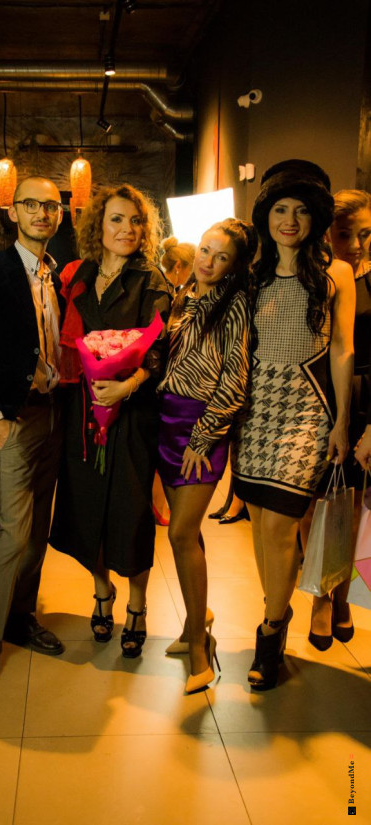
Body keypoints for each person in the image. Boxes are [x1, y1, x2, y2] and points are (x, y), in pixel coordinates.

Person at [231, 160, 355, 691]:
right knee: (261, 526)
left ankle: (268, 633)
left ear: (316, 217)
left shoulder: (337, 272)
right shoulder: (251, 272)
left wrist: (342, 422)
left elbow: (343, 348)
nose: (289, 220)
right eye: (280, 209)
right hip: (255, 407)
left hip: (307, 409)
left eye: (301, 210)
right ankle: (276, 613)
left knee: (282, 526)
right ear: (265, 215)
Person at [50, 184, 171, 659]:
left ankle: (137, 606)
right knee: (85, 507)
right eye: (117, 219)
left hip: (133, 412)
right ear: (98, 224)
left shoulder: (150, 279)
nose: (127, 229)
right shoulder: (80, 275)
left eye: (135, 221)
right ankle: (102, 592)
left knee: (131, 512)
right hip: (83, 408)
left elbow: (159, 348)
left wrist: (128, 385)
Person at [0, 175, 65, 687]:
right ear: (13, 211)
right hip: (14, 418)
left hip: (53, 413)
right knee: (13, 530)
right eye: (32, 204)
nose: (43, 213)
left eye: (52, 205)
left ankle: (22, 616)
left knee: (38, 527)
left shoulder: (56, 274)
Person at [158, 219, 255, 693]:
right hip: (165, 421)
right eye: (205, 250)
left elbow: (235, 380)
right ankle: (195, 622)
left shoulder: (234, 305)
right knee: (187, 535)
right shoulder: (181, 296)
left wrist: (202, 438)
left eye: (221, 258)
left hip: (201, 427)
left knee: (180, 532)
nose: (208, 262)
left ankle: (200, 645)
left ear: (234, 267)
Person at [307, 189, 371, 648]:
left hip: (366, 397)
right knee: (313, 503)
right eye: (346, 234)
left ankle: (341, 595)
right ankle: (320, 593)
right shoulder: (318, 275)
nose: (357, 244)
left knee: (351, 504)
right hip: (320, 393)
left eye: (366, 233)